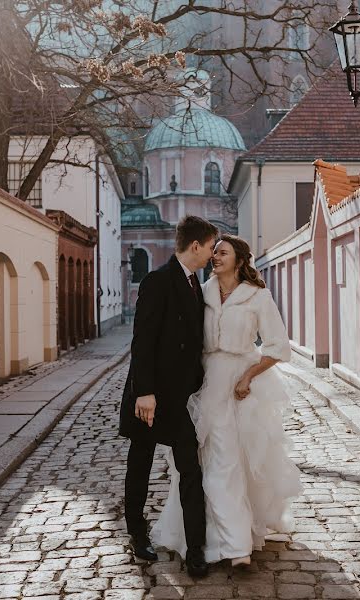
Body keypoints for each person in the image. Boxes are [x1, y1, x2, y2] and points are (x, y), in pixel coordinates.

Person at [152, 234, 303, 566]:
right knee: (205, 462)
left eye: (223, 252)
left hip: (241, 385)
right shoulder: (201, 292)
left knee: (233, 462)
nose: (215, 257)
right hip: (205, 384)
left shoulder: (258, 297)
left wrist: (248, 376)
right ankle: (216, 538)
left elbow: (279, 347)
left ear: (239, 259)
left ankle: (237, 544)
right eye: (214, 252)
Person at [118, 215, 219, 578]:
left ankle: (195, 550)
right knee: (140, 465)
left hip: (180, 400)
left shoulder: (197, 284)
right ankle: (136, 532)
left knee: (191, 469)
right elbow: (142, 340)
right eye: (210, 247)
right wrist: (144, 392)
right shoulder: (158, 280)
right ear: (195, 245)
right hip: (151, 396)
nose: (211, 255)